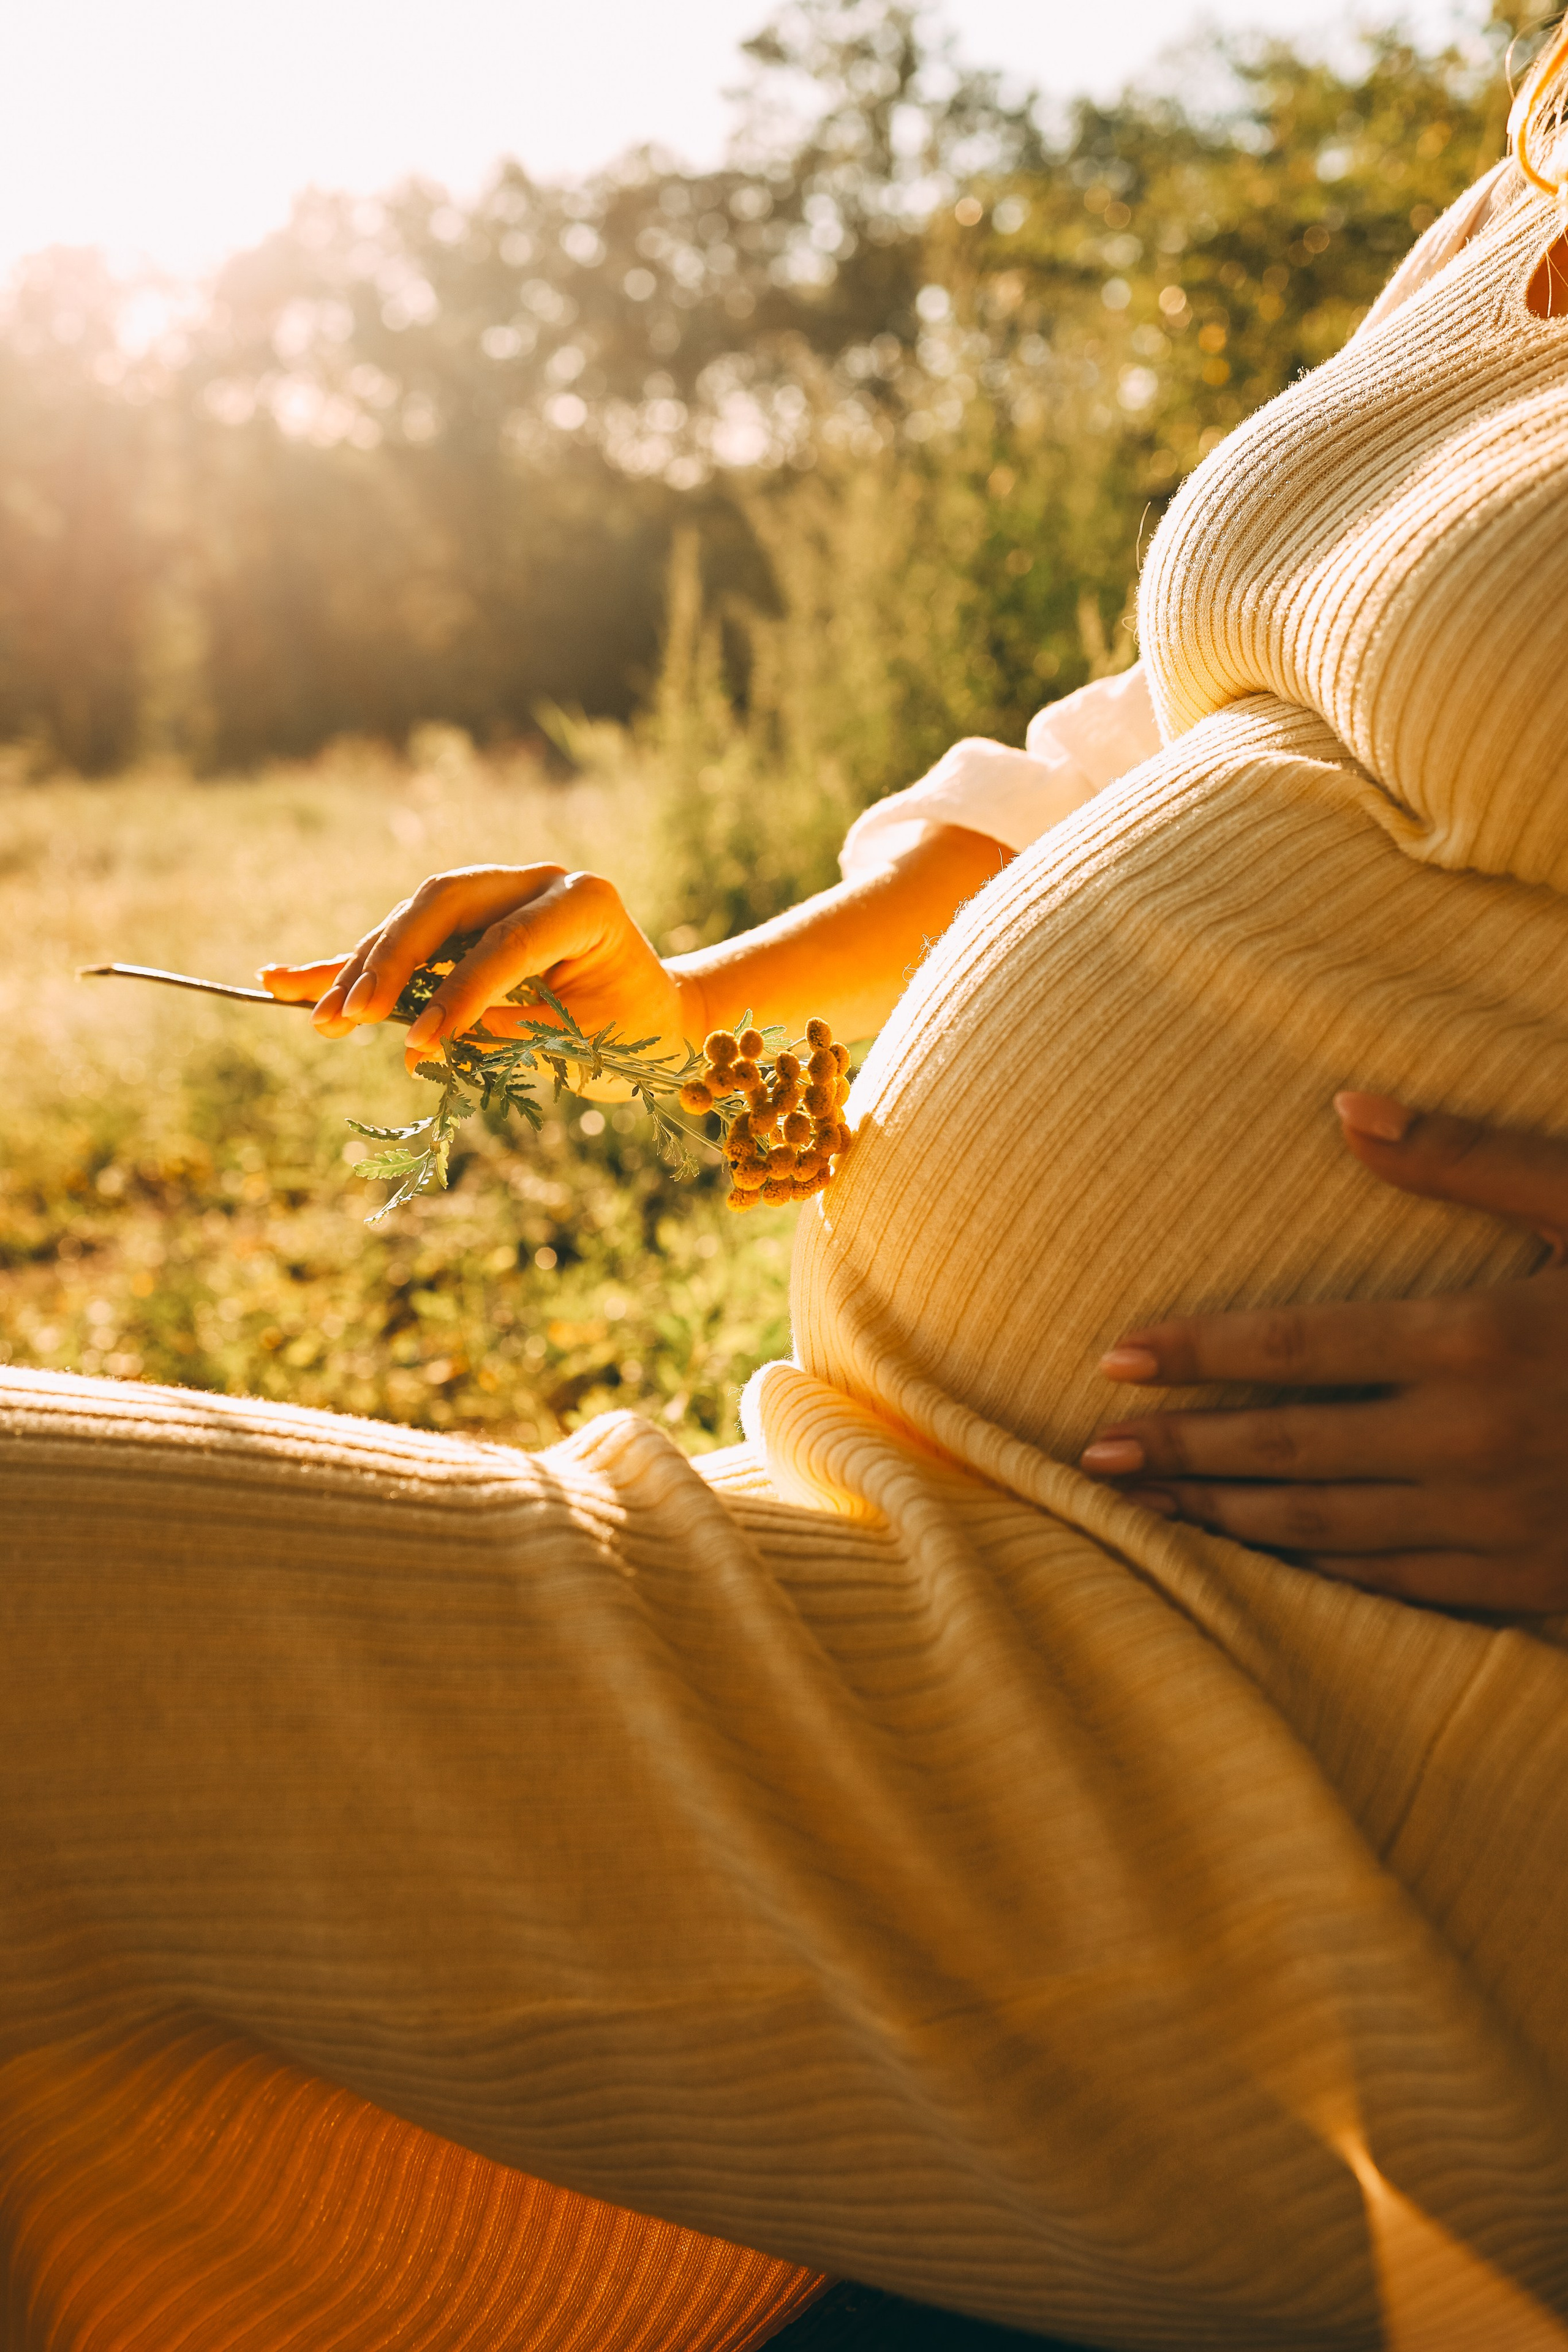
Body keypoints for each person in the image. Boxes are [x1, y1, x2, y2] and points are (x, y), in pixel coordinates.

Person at [4, 42, 1568, 2348]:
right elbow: (1169, 730)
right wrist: (685, 1013)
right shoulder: (1533, 143)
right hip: (908, 1555)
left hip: (1319, 1781)